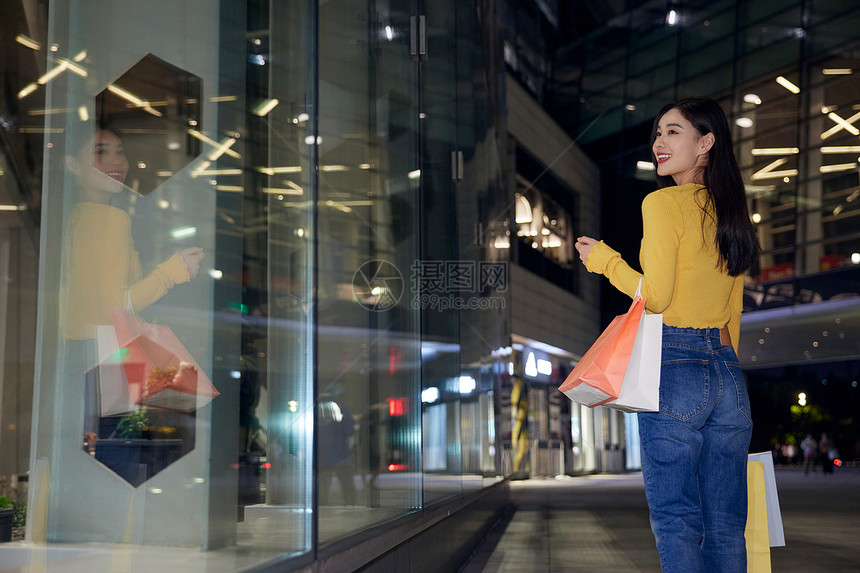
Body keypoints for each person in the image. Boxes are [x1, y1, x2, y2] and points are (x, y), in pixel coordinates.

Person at [575, 97, 760, 573]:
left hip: (676, 365)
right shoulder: (734, 213)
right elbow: (734, 310)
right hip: (728, 375)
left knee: (677, 519)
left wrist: (604, 261)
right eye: (657, 133)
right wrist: (721, 365)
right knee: (725, 524)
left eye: (673, 132)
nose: (659, 142)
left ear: (706, 142)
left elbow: (654, 296)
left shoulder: (661, 203)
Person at [61, 127, 205, 456]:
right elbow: (115, 306)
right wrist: (172, 272)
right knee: (119, 461)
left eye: (120, 151)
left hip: (77, 358)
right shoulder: (111, 219)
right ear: (73, 165)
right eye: (101, 151)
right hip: (106, 361)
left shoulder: (70, 221)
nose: (117, 161)